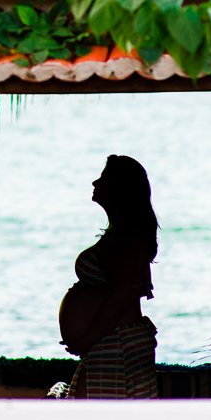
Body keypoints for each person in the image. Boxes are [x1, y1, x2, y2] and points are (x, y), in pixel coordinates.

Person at [58, 155, 159, 399]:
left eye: (102, 179)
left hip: (117, 345)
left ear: (118, 188)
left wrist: (85, 341)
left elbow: (120, 298)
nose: (95, 183)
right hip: (112, 342)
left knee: (98, 419)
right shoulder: (120, 232)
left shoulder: (125, 236)